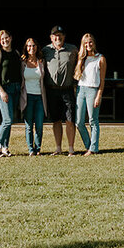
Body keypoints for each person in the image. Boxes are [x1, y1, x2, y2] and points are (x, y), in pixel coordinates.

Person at [41, 25, 78, 156]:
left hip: (67, 90)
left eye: (60, 35)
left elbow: (81, 63)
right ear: (51, 37)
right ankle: (58, 148)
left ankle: (71, 148)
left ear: (64, 37)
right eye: (55, 35)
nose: (58, 37)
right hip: (52, 90)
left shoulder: (72, 49)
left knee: (70, 119)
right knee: (56, 120)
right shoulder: (45, 50)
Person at [0, 29, 21, 157]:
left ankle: (5, 148)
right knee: (7, 120)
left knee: (10, 120)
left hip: (15, 89)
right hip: (3, 90)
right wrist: (1, 91)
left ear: (11, 38)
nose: (5, 40)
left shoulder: (16, 53)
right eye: (2, 39)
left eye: (6, 38)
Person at [74, 33, 107, 156]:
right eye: (86, 43)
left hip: (93, 90)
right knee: (79, 122)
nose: (88, 45)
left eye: (90, 42)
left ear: (94, 43)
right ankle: (89, 145)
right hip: (81, 89)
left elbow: (102, 80)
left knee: (93, 120)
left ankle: (93, 148)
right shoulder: (81, 58)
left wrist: (99, 95)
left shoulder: (100, 58)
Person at [19, 37, 48, 156]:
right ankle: (30, 149)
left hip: (40, 97)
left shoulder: (41, 62)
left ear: (37, 47)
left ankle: (38, 148)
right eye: (29, 46)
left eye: (34, 46)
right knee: (29, 125)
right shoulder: (22, 62)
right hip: (27, 97)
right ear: (26, 48)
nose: (32, 48)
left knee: (40, 125)